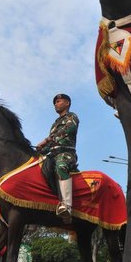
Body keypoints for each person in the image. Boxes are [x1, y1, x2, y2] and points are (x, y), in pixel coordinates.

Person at [36, 94, 79, 222]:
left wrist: (47, 139)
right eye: (55, 102)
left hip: (66, 153)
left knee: (61, 166)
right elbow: (50, 146)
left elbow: (69, 130)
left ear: (67, 103)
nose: (56, 103)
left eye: (59, 101)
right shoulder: (55, 124)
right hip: (52, 154)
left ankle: (67, 206)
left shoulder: (72, 117)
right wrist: (40, 150)